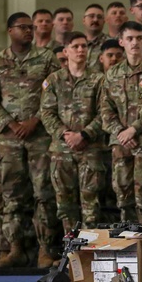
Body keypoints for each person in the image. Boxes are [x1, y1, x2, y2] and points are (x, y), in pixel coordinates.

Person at [0, 12, 58, 268]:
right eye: (22, 27)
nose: (28, 31)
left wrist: (35, 120)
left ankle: (45, 250)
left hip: (39, 136)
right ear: (10, 31)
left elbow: (54, 94)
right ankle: (15, 248)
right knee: (11, 193)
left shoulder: (47, 58)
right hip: (9, 138)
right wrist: (11, 124)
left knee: (44, 192)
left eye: (31, 27)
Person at [99, 21, 142, 223]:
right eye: (129, 39)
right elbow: (105, 109)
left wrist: (134, 130)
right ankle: (128, 237)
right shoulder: (113, 74)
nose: (134, 43)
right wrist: (121, 132)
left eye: (138, 38)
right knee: (123, 196)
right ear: (121, 42)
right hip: (121, 144)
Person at [41, 32, 106, 231]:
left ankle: (89, 246)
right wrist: (64, 134)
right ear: (66, 51)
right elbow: (46, 112)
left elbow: (105, 112)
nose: (80, 50)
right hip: (62, 150)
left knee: (91, 204)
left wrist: (84, 134)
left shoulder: (98, 79)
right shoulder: (54, 80)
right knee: (65, 205)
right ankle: (71, 247)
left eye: (84, 46)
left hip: (90, 148)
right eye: (75, 46)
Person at [82, 4, 106, 71]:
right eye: (91, 16)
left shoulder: (110, 44)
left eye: (99, 17)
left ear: (104, 21)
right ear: (83, 20)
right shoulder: (75, 44)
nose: (95, 20)